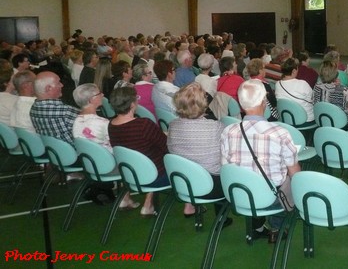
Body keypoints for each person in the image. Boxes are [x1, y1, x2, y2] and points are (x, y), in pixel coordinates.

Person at [221, 79, 300, 242]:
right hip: (272, 200)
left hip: (240, 194)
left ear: (241, 104)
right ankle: (277, 227)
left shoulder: (228, 131)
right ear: (264, 101)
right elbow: (295, 174)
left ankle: (257, 226)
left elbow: (225, 166)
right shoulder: (280, 132)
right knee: (292, 177)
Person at [167, 83, 232, 225]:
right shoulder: (216, 127)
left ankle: (192, 205)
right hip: (212, 187)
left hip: (183, 183)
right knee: (223, 167)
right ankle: (221, 217)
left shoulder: (172, 125)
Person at [108, 86, 168, 216]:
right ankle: (189, 206)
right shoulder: (143, 124)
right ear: (132, 104)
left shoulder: (111, 125)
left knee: (148, 156)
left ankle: (144, 201)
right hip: (155, 175)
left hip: (131, 173)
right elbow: (166, 146)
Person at [30, 71, 79, 145]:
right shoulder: (66, 112)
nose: (62, 85)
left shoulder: (33, 108)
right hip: (76, 151)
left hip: (54, 150)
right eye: (58, 83)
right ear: (49, 88)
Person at [313, 60, 348, 129]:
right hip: (341, 123)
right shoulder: (344, 90)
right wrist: (340, 85)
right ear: (336, 74)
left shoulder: (316, 87)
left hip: (322, 120)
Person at [275, 58, 314, 122]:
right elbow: (312, 98)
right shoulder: (302, 84)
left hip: (287, 118)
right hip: (306, 119)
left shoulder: (277, 84)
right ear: (294, 71)